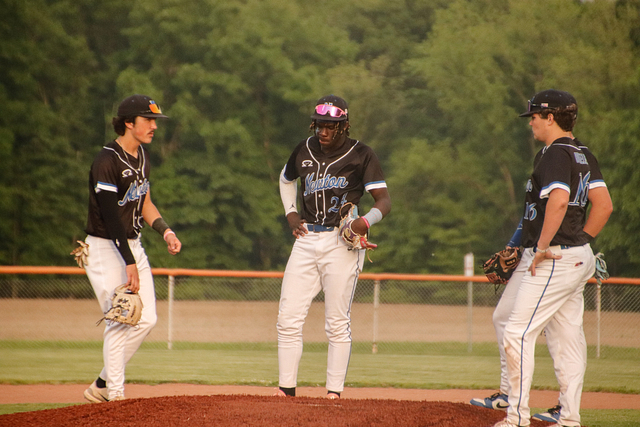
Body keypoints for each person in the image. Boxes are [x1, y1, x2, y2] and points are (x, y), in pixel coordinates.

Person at [491, 89, 612, 427]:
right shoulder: (582, 153)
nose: (530, 122)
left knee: (517, 333)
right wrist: (582, 243)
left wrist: (544, 246)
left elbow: (558, 201)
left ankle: (516, 417)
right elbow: (604, 206)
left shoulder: (555, 153)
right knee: (566, 338)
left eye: (534, 116)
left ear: (550, 117)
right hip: (573, 254)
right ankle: (569, 418)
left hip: (553, 257)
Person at [275, 94, 391, 399]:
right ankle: (286, 391)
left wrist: (364, 222)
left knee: (337, 322)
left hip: (341, 242)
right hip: (306, 238)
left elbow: (384, 201)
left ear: (344, 126)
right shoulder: (304, 148)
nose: (323, 131)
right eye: (319, 125)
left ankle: (333, 395)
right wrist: (290, 213)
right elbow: (286, 180)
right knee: (287, 319)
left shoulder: (361, 154)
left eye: (331, 126)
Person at [81, 94, 182, 402]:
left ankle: (102, 384)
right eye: (148, 120)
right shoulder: (107, 160)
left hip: (131, 244)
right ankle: (115, 396)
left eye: (155, 121)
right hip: (105, 247)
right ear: (128, 123)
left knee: (146, 318)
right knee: (119, 319)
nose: (154, 126)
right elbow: (111, 217)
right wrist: (129, 262)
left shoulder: (142, 157)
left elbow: (145, 202)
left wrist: (165, 231)